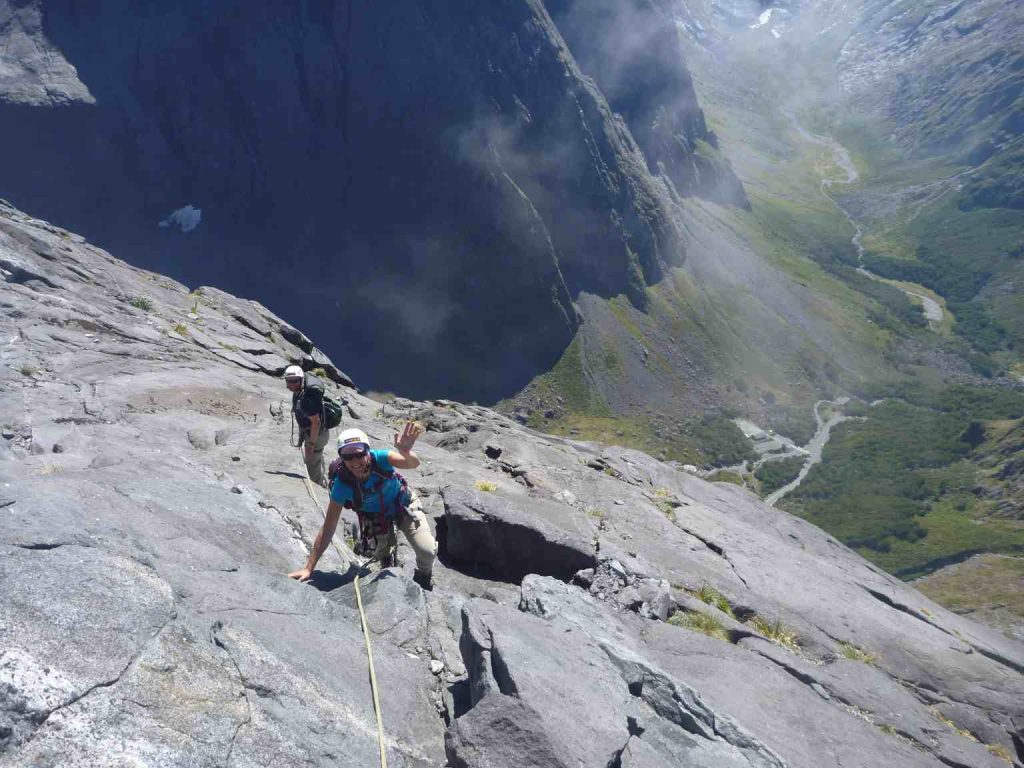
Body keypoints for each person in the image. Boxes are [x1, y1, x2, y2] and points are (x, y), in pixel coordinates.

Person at [288, 423, 438, 590]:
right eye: (347, 456)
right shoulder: (342, 485)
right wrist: (309, 568)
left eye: (359, 454)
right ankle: (386, 558)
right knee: (381, 555)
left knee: (427, 551)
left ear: (367, 451)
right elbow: (329, 527)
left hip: (402, 504)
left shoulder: (381, 459)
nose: (355, 461)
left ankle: (424, 575)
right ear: (341, 457)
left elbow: (412, 464)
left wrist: (406, 452)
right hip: (375, 517)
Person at [284, 365, 331, 487]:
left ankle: (319, 487)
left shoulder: (306, 399)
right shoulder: (301, 391)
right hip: (316, 433)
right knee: (317, 457)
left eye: (294, 381)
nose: (291, 384)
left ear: (301, 379)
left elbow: (316, 422)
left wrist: (311, 444)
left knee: (311, 463)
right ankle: (325, 481)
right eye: (289, 381)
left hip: (316, 434)